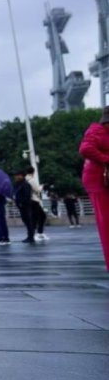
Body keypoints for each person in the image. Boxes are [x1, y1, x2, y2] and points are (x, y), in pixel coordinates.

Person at [79, 108, 109, 270]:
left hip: (103, 182)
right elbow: (85, 149)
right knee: (106, 224)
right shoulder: (97, 131)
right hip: (99, 182)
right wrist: (106, 159)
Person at [26, 167, 49, 241]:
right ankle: (37, 233)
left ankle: (38, 233)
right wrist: (42, 186)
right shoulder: (32, 180)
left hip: (29, 200)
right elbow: (37, 190)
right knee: (40, 216)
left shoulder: (25, 179)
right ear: (33, 172)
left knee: (36, 217)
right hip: (34, 200)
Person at [13, 169, 35, 243]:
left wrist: (22, 203)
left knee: (28, 221)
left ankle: (31, 237)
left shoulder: (25, 184)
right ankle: (29, 236)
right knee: (25, 220)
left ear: (21, 176)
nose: (15, 177)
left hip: (25, 206)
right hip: (21, 206)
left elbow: (27, 196)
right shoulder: (17, 184)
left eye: (17, 175)